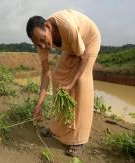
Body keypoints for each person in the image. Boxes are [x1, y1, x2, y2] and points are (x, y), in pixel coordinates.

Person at [26, 9, 101, 157]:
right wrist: (39, 104)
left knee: (81, 81)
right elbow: (46, 74)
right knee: (57, 76)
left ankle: (78, 140)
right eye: (37, 43)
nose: (43, 46)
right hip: (74, 46)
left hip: (89, 41)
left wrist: (72, 83)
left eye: (42, 39)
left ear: (48, 26)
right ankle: (56, 129)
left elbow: (84, 56)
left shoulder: (66, 26)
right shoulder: (41, 43)